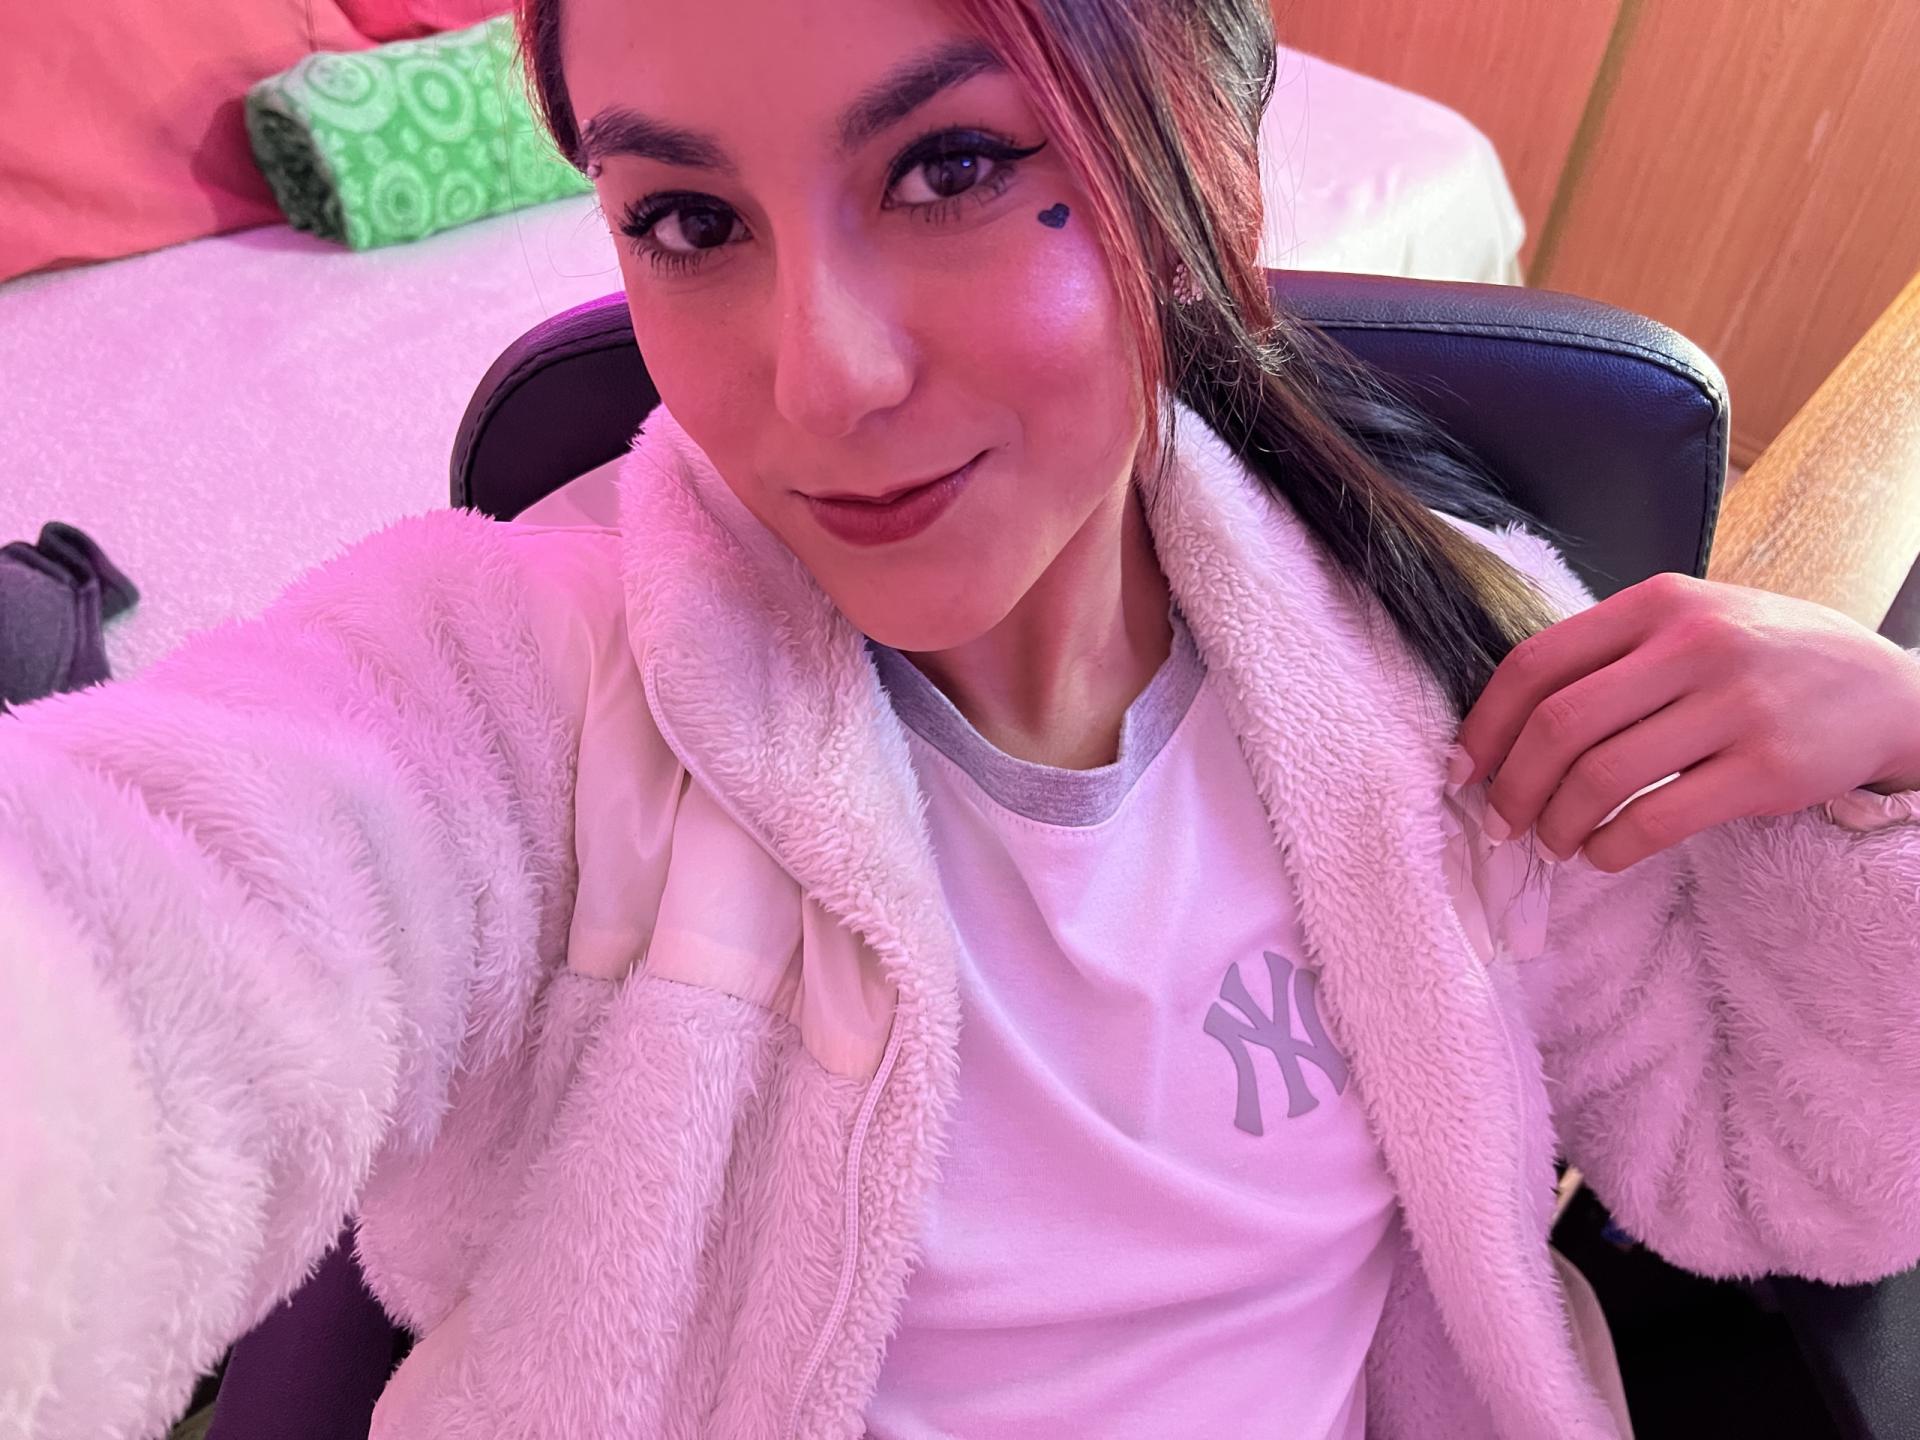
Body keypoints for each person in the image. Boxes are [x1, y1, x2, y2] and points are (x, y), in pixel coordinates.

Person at [5, 0, 1920, 1436]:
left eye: (950, 169)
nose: (819, 377)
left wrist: (1898, 755)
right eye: (688, 218)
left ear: (1207, 166)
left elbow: (1803, 1165)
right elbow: (150, 926)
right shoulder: (519, 686)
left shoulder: (1436, 665)